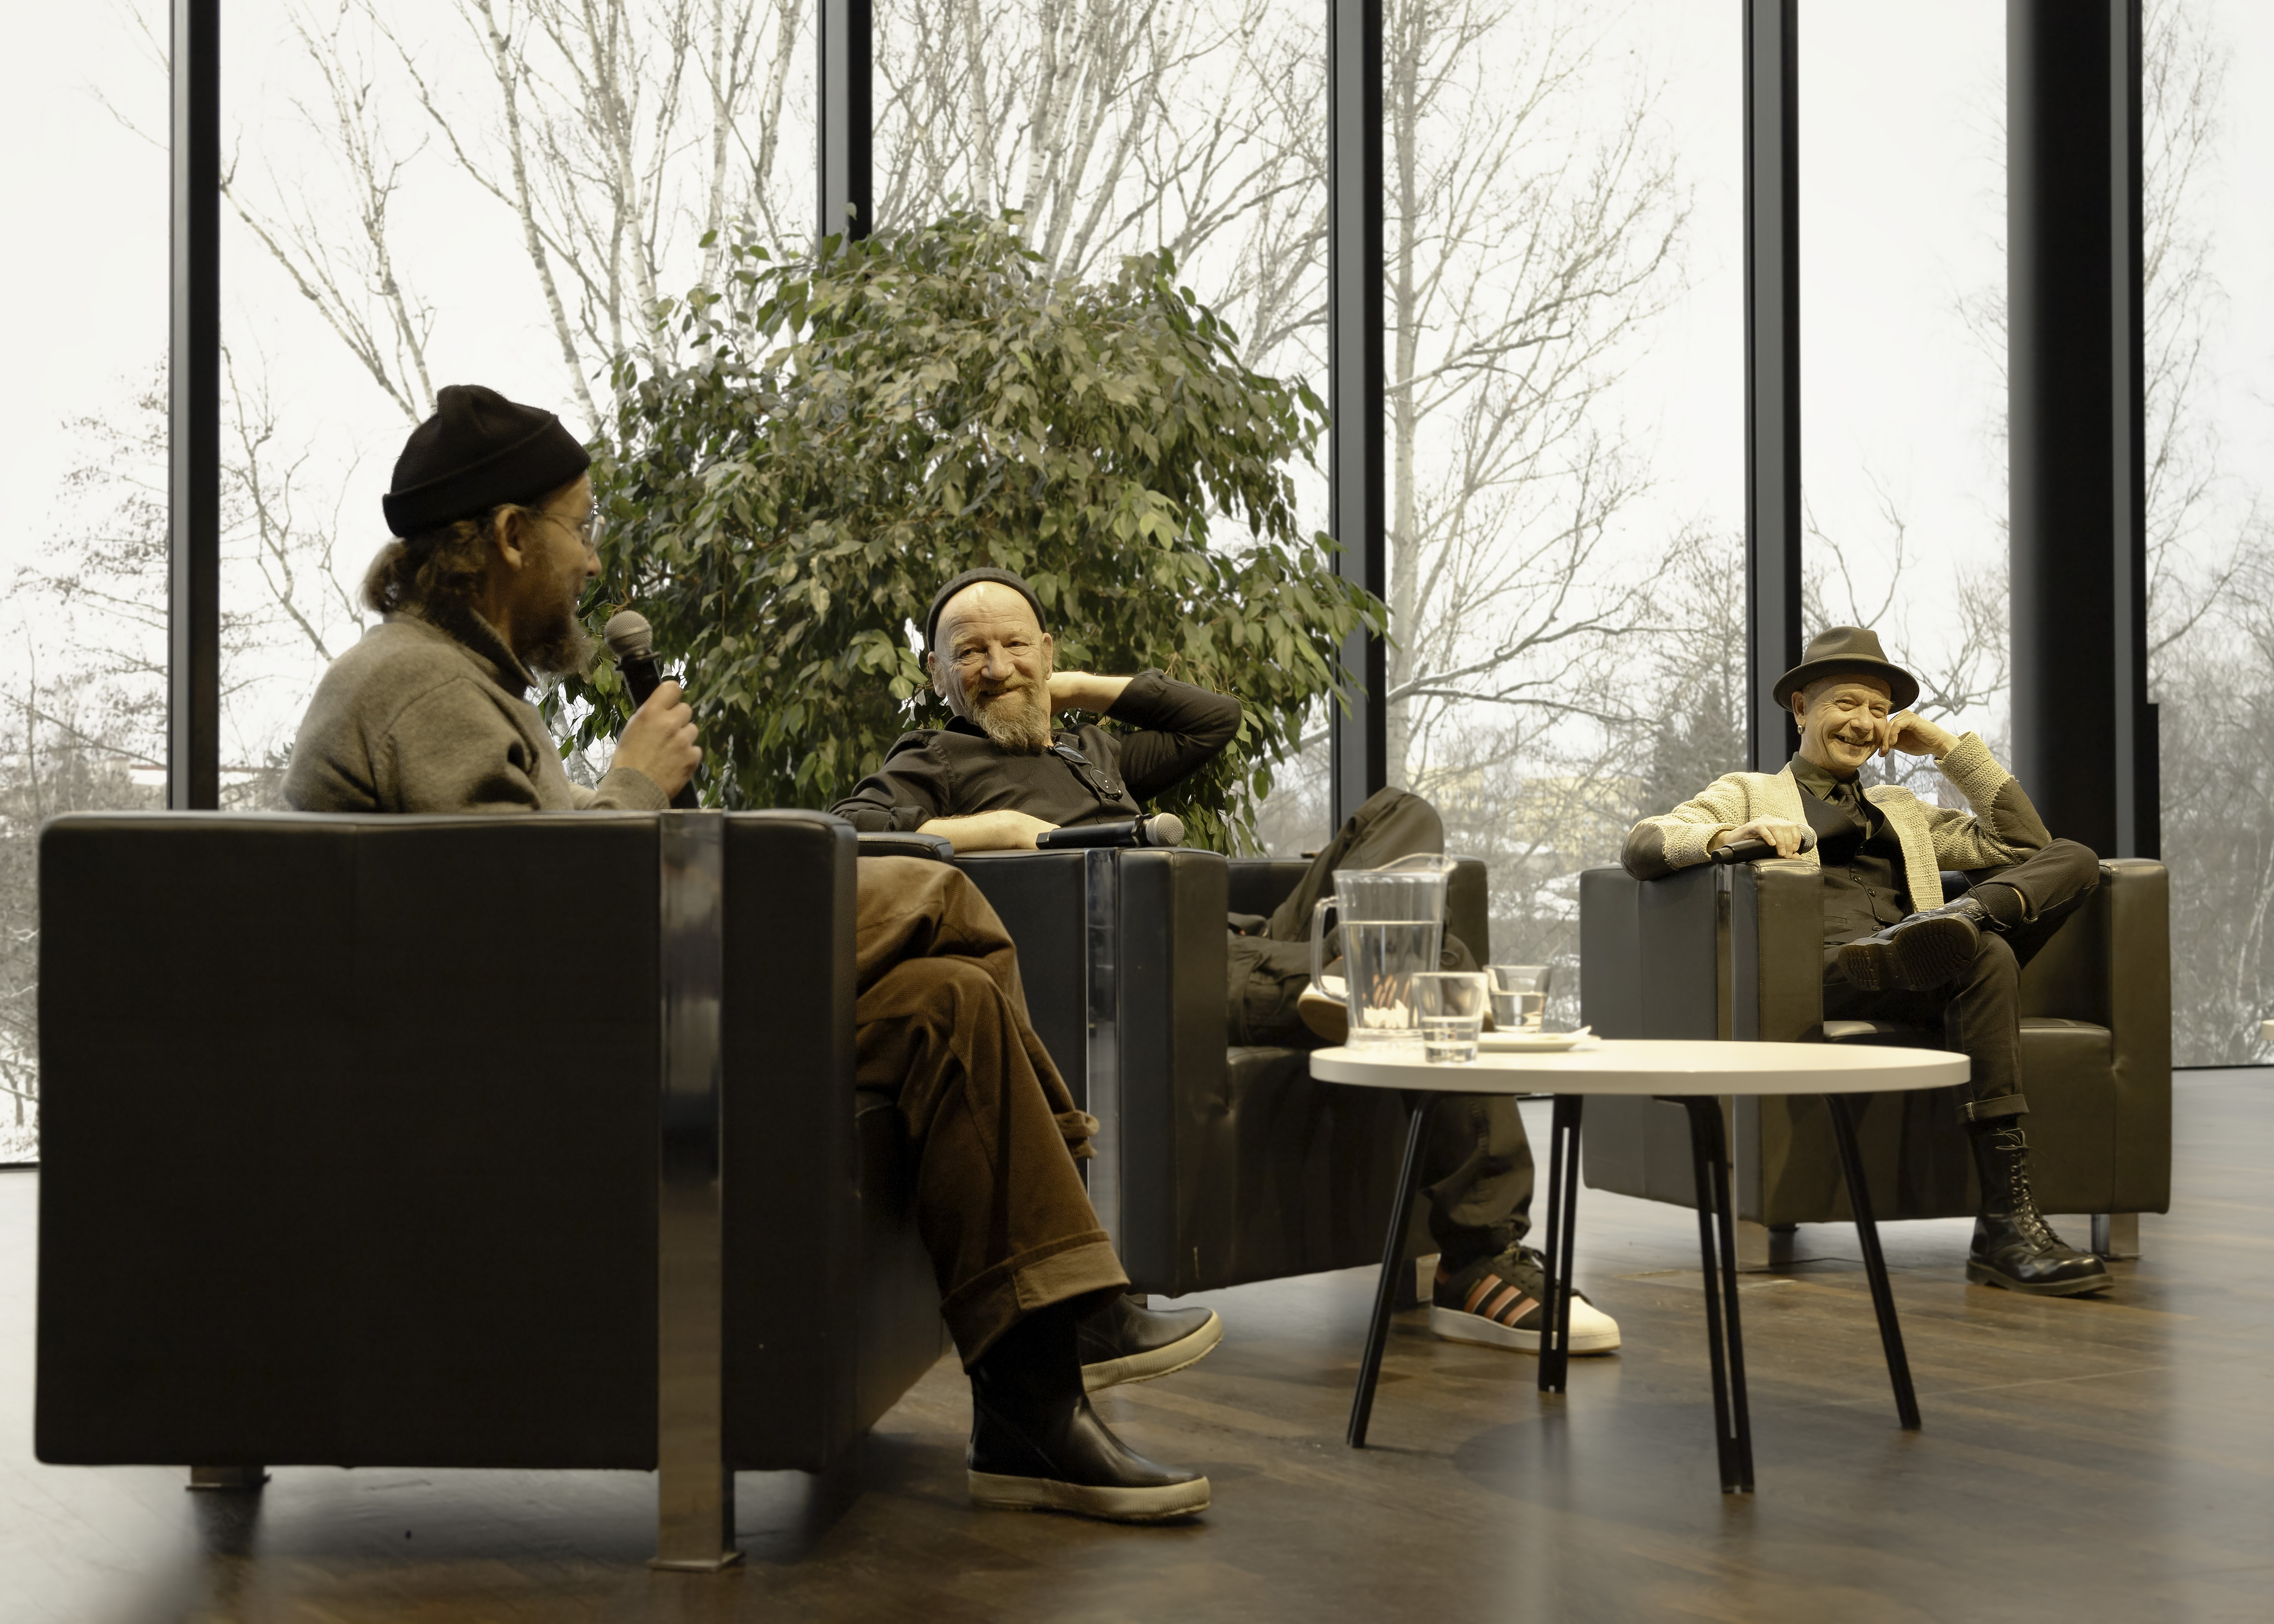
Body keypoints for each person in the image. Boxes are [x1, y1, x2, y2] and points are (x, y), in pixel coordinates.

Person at [285, 385, 1217, 1522]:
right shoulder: (420, 683)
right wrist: (634, 785)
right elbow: (531, 923)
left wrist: (629, 801)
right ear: (512, 535)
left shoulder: (455, 679)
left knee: (948, 1004)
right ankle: (1085, 1293)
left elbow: (528, 882)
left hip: (600, 1014)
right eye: (581, 526)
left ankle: (1029, 1405)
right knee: (934, 891)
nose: (592, 561)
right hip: (554, 1053)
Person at [829, 566, 1622, 1358]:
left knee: (1400, 813)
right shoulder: (933, 758)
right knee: (1437, 965)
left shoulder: (1089, 750)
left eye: (1015, 646)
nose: (997, 668)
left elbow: (1213, 722)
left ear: (1047, 650)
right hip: (1152, 968)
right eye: (970, 653)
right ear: (937, 673)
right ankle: (1478, 1255)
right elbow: (849, 835)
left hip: (1239, 936)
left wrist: (1070, 689)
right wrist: (1001, 830)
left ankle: (1352, 975)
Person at [1621, 625, 2111, 1296]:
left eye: (1879, 710)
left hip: (1919, 959)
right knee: (1989, 953)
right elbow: (1645, 843)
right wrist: (1733, 834)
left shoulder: (1900, 810)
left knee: (2073, 860)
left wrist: (1946, 749)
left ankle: (1963, 921)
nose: (1863, 723)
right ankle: (2006, 1228)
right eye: (1846, 703)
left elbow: (2023, 846)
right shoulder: (1751, 792)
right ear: (1801, 709)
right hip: (1831, 972)